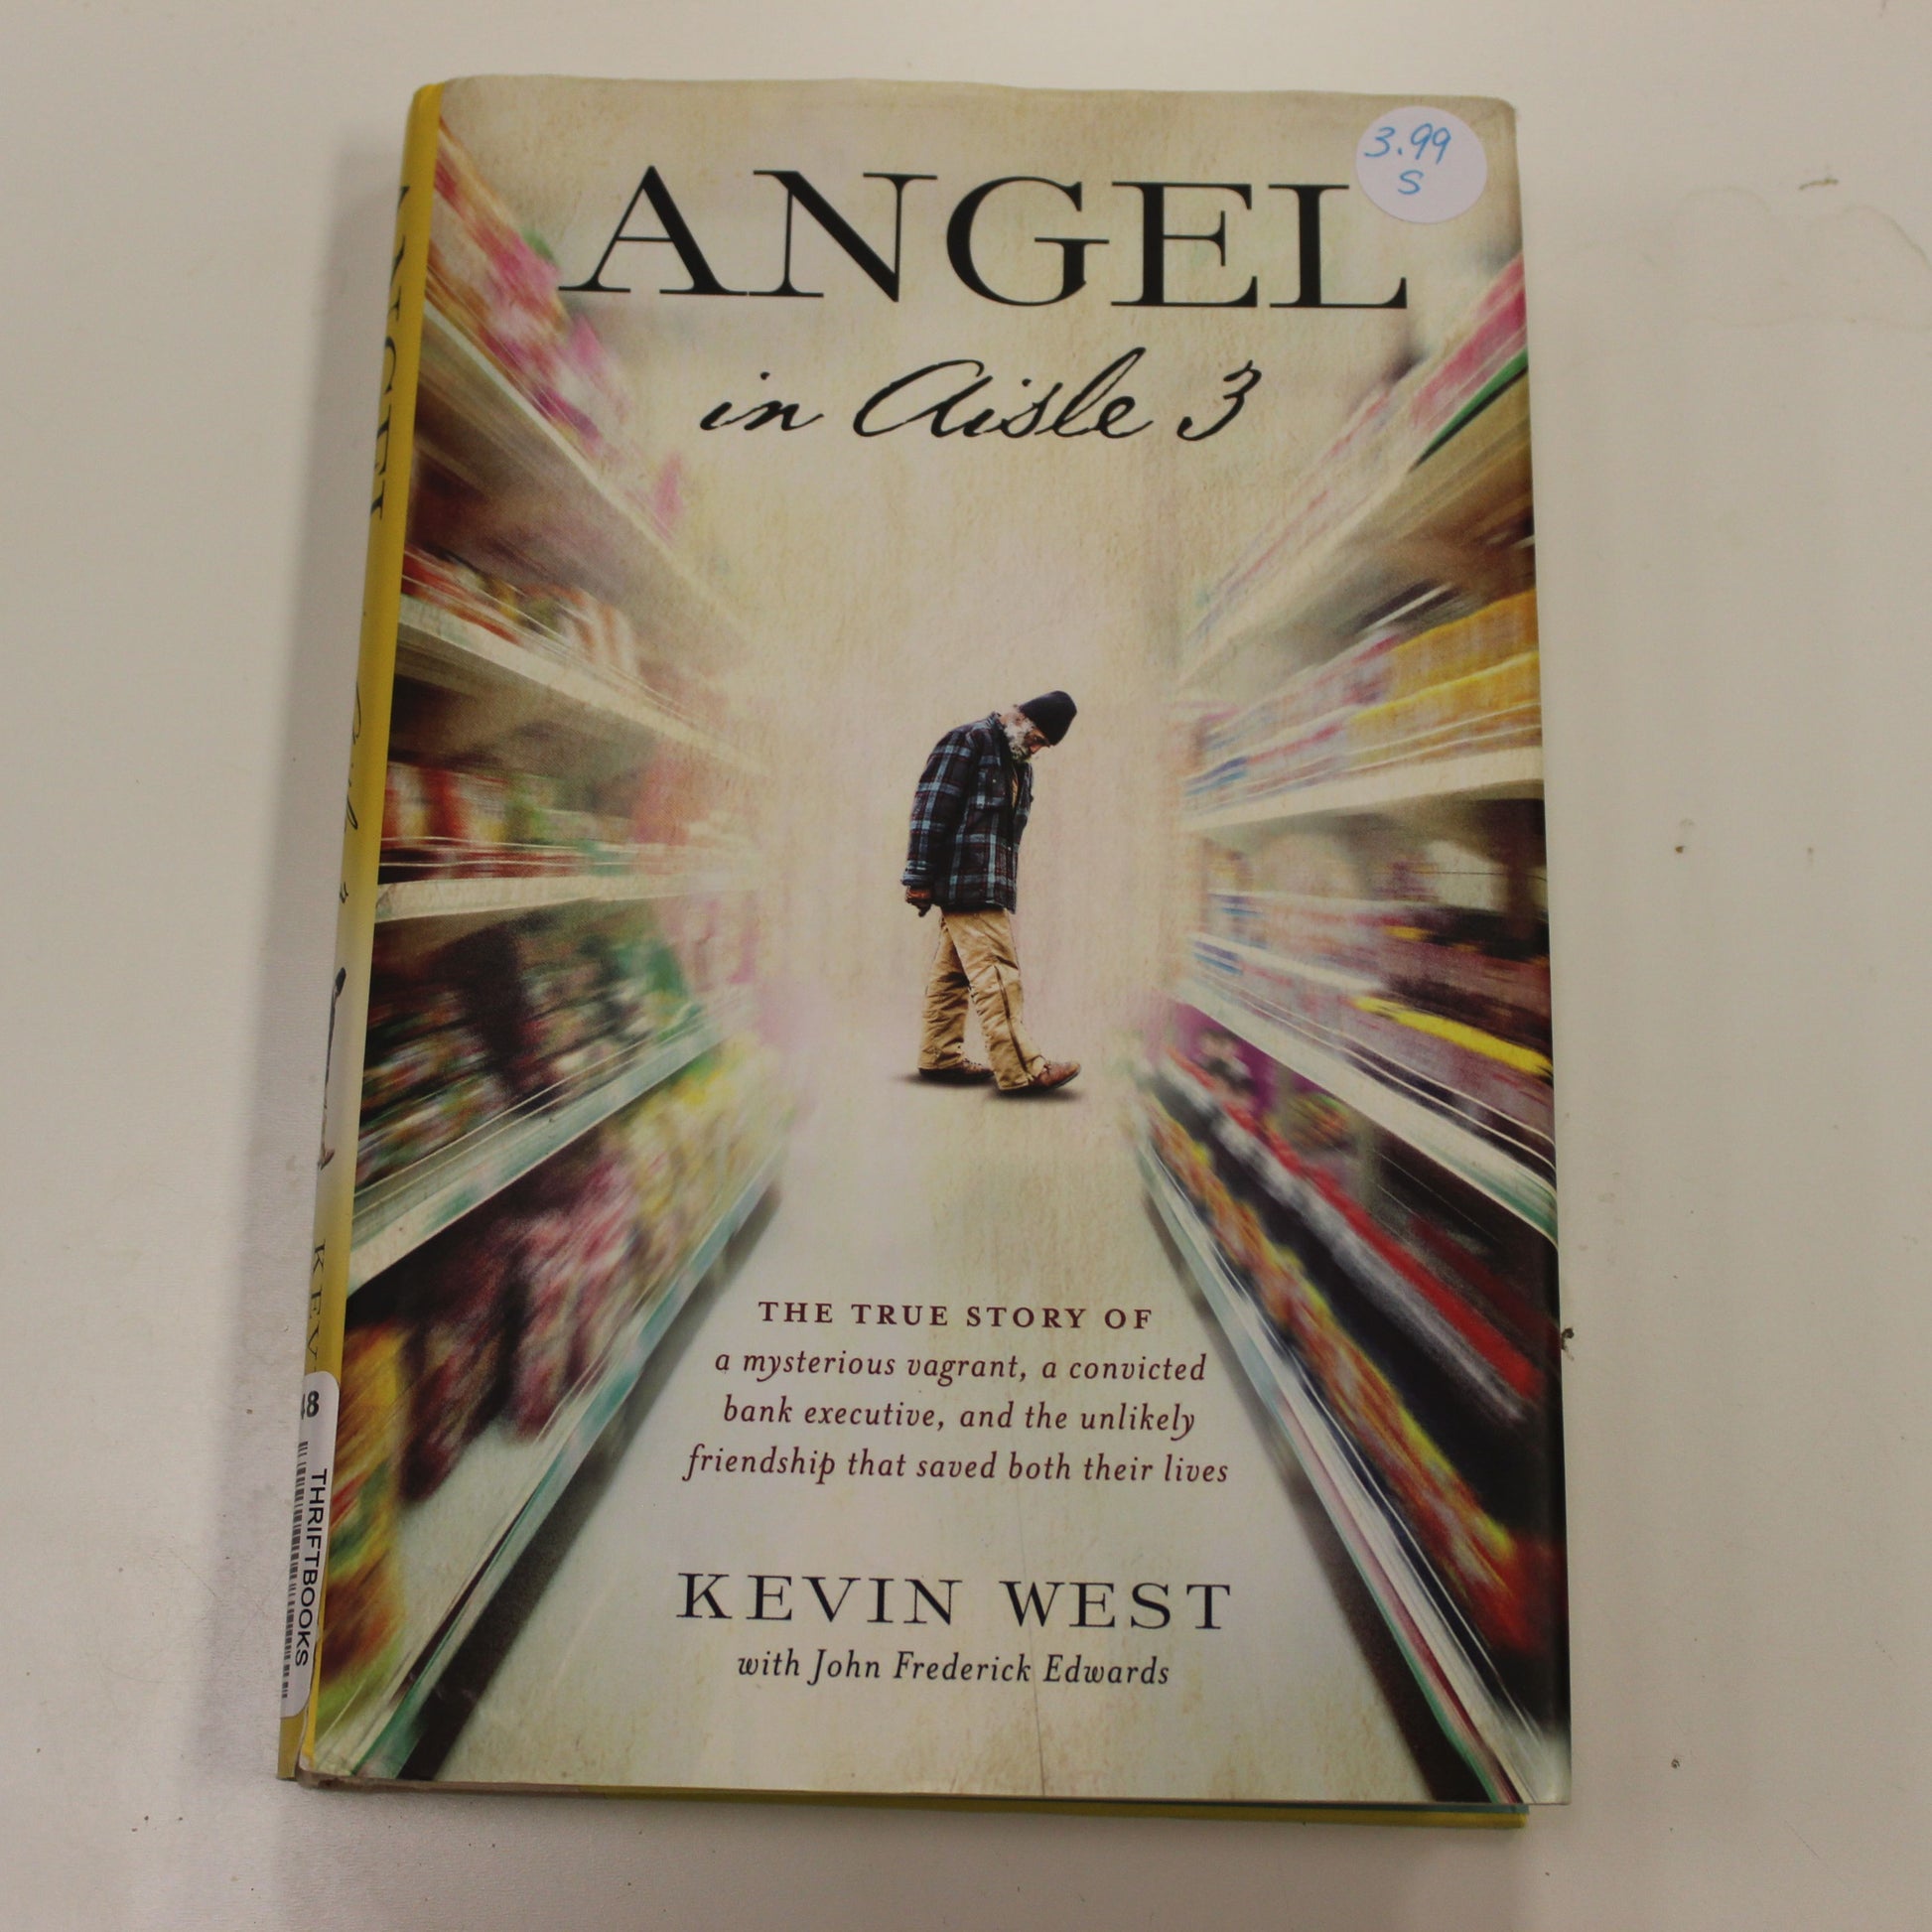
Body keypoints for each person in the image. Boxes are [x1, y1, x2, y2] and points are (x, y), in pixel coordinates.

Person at [902, 691, 1080, 1095]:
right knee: (998, 975)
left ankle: (939, 1056)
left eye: (1044, 746)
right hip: (967, 883)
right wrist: (919, 876)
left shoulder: (1018, 763)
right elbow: (930, 810)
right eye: (1037, 739)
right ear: (1021, 720)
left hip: (987, 883)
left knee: (952, 974)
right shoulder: (968, 741)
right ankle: (1024, 1071)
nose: (1037, 750)